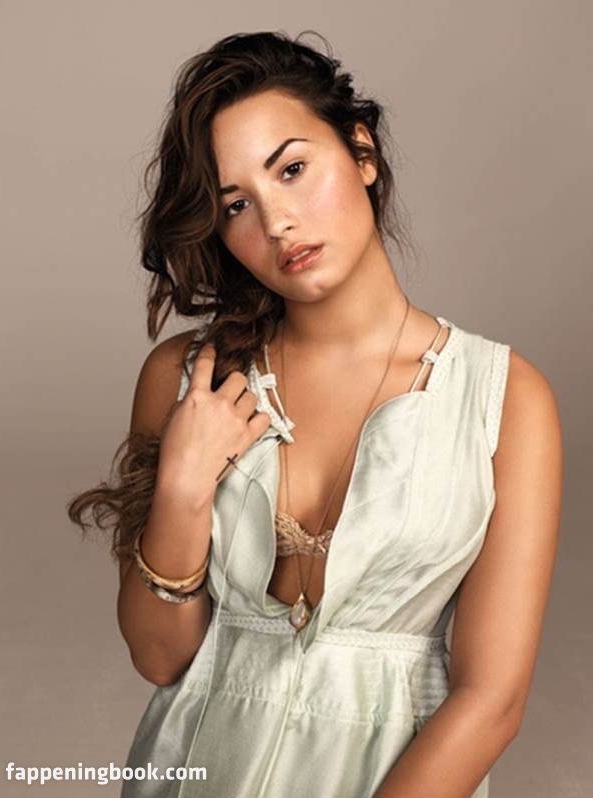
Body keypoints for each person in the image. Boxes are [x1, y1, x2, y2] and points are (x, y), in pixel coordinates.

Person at [67, 30, 563, 798]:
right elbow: (162, 659)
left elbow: (490, 702)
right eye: (237, 205)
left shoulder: (504, 399)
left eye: (293, 170)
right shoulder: (189, 381)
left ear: (362, 152)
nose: (276, 223)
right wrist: (183, 487)